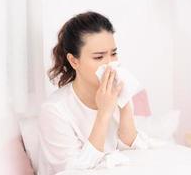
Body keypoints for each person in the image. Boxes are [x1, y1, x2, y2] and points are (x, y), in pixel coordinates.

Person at [37, 11, 149, 175]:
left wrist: (125, 105)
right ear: (74, 61)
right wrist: (104, 113)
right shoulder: (55, 110)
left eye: (113, 53)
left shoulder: (116, 92)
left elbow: (133, 153)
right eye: (98, 57)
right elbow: (73, 171)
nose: (110, 64)